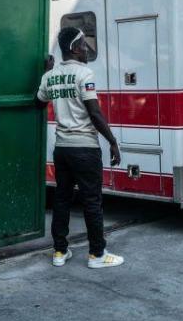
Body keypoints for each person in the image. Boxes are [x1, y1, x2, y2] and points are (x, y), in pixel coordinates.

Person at [36, 26, 124, 269]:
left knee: (62, 199)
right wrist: (113, 141)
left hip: (62, 148)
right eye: (85, 44)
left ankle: (59, 252)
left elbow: (38, 102)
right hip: (85, 148)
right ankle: (97, 254)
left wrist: (46, 73)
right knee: (91, 201)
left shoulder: (50, 76)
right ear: (74, 47)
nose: (87, 49)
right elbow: (94, 112)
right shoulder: (85, 73)